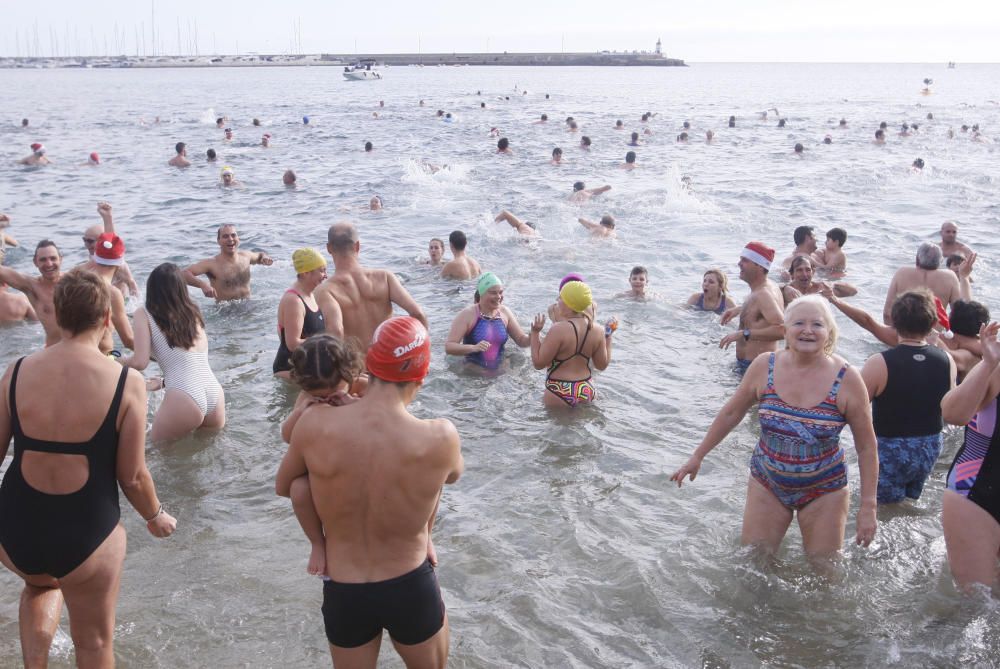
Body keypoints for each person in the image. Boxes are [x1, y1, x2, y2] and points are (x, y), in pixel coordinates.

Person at [0, 270, 176, 668]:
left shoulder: (16, 370)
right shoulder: (126, 382)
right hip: (85, 535)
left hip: (15, 532)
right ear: (107, 320)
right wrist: (156, 516)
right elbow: (132, 476)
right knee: (94, 643)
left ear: (58, 316)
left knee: (39, 584)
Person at [275, 316, 463, 668]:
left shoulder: (314, 424)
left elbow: (286, 487)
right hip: (409, 581)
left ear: (369, 365)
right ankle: (425, 537)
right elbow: (450, 477)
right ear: (421, 376)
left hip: (345, 587)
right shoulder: (441, 437)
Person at [672, 295, 878, 563]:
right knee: (752, 565)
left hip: (825, 487)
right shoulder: (764, 366)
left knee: (824, 574)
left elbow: (866, 446)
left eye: (817, 324)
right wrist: (697, 456)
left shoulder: (848, 378)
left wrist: (868, 507)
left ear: (829, 332)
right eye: (798, 323)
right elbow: (731, 413)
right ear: (785, 330)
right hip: (767, 481)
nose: (807, 330)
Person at [861, 290, 955, 504]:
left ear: (894, 321)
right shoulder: (947, 360)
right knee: (909, 502)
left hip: (891, 448)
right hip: (930, 446)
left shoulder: (879, 362)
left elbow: (854, 407)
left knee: (883, 508)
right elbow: (949, 406)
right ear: (932, 323)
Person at [122, 263, 225, 441]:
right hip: (214, 394)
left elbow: (140, 362)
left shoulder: (143, 313)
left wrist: (111, 361)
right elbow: (186, 358)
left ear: (152, 288)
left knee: (157, 457)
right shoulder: (193, 312)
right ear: (181, 288)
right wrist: (164, 382)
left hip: (184, 395)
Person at [939, 321, 1000, 593]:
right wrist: (987, 364)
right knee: (975, 606)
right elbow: (952, 413)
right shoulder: (996, 367)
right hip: (976, 494)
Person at [316, 222, 427, 348]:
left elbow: (336, 331)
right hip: (389, 361)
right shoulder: (385, 277)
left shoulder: (325, 291)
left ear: (329, 248)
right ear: (357, 246)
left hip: (357, 366)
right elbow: (418, 313)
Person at [530, 280, 615, 408]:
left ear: (569, 304)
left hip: (559, 389)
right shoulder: (598, 330)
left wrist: (535, 333)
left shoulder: (558, 329)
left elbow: (538, 363)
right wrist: (608, 337)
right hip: (586, 388)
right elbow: (601, 365)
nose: (557, 302)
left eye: (560, 298)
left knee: (559, 428)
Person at [720, 242, 785, 375]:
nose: (739, 264)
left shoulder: (763, 294)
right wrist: (739, 309)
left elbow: (783, 330)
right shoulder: (766, 287)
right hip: (754, 365)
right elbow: (763, 311)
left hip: (757, 368)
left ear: (759, 266)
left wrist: (744, 334)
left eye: (745, 260)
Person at [445, 273, 530, 373]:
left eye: (500, 292)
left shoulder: (505, 312)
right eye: (493, 293)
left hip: (500, 373)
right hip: (473, 374)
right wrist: (473, 348)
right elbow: (449, 346)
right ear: (481, 293)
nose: (498, 297)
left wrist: (534, 334)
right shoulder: (467, 315)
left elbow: (521, 341)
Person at [182, 224, 274, 301]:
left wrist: (265, 257)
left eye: (233, 235)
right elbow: (183, 274)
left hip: (248, 304)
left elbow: (260, 256)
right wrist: (202, 285)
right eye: (225, 236)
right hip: (226, 312)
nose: (230, 239)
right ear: (218, 241)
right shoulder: (211, 264)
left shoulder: (246, 256)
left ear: (238, 238)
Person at [274, 249, 328, 377]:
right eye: (321, 270)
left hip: (306, 369)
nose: (326, 275)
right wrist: (327, 343)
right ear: (305, 273)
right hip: (290, 371)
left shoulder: (310, 295)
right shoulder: (294, 301)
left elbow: (281, 331)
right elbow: (292, 344)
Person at [0, 240, 65, 346]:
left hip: (78, 351)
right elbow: (2, 271)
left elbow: (100, 265)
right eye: (43, 260)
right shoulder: (32, 287)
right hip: (52, 350)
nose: (49, 264)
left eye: (53, 258)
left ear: (60, 259)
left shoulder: (74, 282)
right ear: (35, 262)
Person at [882, 242, 961, 325]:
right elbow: (958, 315)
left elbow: (887, 314)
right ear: (940, 261)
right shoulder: (950, 277)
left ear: (917, 259)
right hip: (934, 335)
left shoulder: (902, 273)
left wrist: (894, 335)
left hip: (904, 334)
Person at [80, 202, 140, 298]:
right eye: (84, 240)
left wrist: (108, 217)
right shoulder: (94, 255)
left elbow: (131, 283)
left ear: (101, 242)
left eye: (90, 241)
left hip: (121, 302)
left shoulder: (119, 265)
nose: (86, 245)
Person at [781, 256, 857, 306]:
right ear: (792, 274)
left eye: (808, 270)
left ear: (813, 272)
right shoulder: (787, 292)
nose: (804, 274)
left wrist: (833, 285)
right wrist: (785, 288)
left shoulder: (820, 288)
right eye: (799, 270)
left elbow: (853, 291)